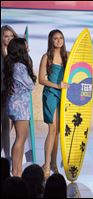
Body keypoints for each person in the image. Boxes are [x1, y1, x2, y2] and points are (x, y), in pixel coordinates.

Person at [4, 38, 36, 177]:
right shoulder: (20, 67)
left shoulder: (12, 65)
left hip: (13, 104)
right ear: (20, 50)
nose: (28, 48)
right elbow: (31, 85)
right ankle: (16, 171)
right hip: (20, 106)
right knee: (20, 138)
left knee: (20, 138)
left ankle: (17, 170)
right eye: (26, 47)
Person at [39, 29, 68, 179]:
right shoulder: (47, 57)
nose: (58, 40)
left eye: (60, 38)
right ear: (51, 40)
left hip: (65, 96)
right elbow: (41, 79)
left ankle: (54, 164)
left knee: (57, 132)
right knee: (52, 129)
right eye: (55, 38)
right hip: (51, 93)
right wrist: (57, 86)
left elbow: (75, 73)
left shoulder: (67, 55)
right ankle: (46, 164)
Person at [1, 25, 18, 160]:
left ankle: (6, 158)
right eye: (6, 36)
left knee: (7, 127)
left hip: (10, 93)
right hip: (2, 92)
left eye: (11, 36)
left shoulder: (17, 53)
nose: (9, 39)